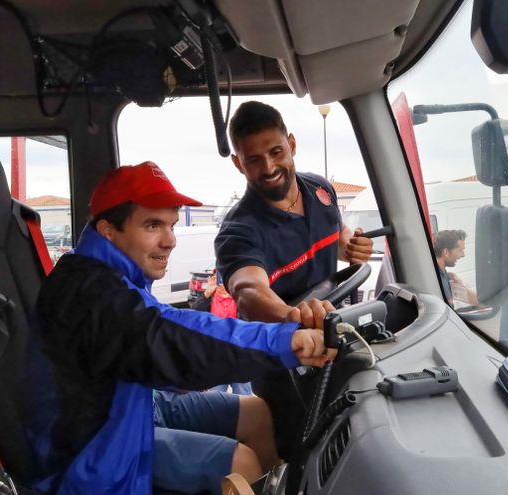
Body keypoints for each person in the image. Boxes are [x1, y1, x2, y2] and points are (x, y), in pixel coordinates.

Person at [34, 162, 334, 495]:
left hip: (137, 399)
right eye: (153, 225)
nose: (170, 241)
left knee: (258, 412)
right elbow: (168, 336)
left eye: (172, 225)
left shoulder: (113, 273)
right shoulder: (91, 294)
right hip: (99, 445)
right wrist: (284, 342)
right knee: (243, 464)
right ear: (108, 230)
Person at [214, 100, 373, 325]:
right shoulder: (238, 231)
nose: (269, 168)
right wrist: (295, 316)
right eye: (254, 159)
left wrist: (352, 249)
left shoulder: (321, 189)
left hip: (331, 329)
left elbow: (338, 236)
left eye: (276, 152)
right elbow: (248, 291)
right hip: (279, 349)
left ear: (292, 145)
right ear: (238, 163)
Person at [192, 271, 253, 395]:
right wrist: (207, 293)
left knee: (244, 398)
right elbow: (195, 315)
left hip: (239, 357)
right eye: (220, 280)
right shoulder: (210, 298)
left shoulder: (240, 297)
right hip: (216, 358)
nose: (222, 285)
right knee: (215, 398)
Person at [433, 229, 479, 307]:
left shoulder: (444, 273)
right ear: (446, 252)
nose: (463, 255)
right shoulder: (438, 279)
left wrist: (460, 285)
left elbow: (476, 301)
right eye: (460, 250)